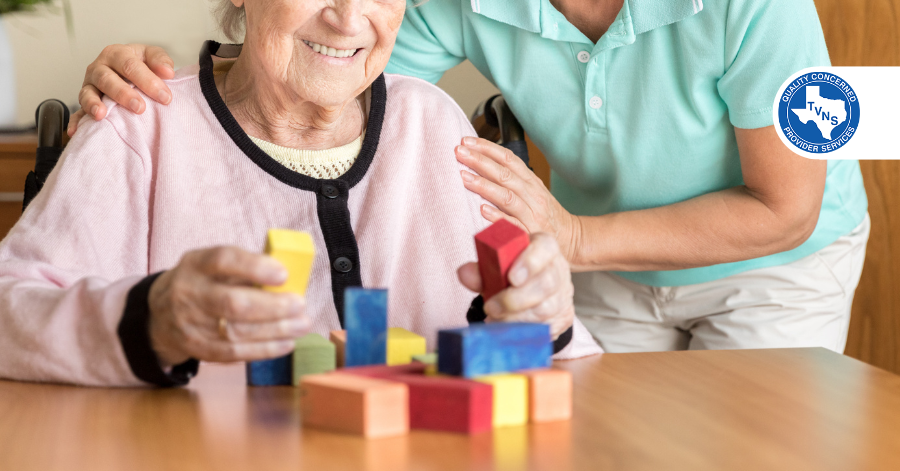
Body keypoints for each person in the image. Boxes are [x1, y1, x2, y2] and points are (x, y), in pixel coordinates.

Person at [71, 0, 869, 354]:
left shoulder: (758, 3)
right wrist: (165, 83)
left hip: (775, 264)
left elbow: (785, 207)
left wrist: (574, 237)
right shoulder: (460, 0)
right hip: (607, 268)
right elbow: (323, 82)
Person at [0, 0, 600, 387]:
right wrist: (151, 319)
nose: (348, 17)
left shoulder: (435, 125)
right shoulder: (140, 121)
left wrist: (545, 317)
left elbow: (551, 357)